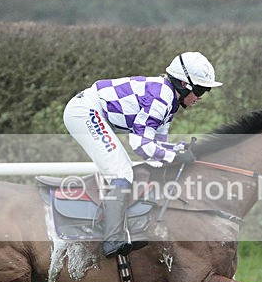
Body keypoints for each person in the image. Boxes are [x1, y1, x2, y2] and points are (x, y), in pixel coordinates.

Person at [64, 51, 222, 258]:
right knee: (121, 173)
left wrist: (179, 150)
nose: (202, 96)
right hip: (84, 112)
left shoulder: (169, 102)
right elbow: (139, 144)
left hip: (93, 111)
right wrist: (174, 156)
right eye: (201, 89)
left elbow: (156, 145)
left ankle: (122, 227)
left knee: (127, 171)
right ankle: (112, 239)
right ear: (184, 85)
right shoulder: (161, 98)